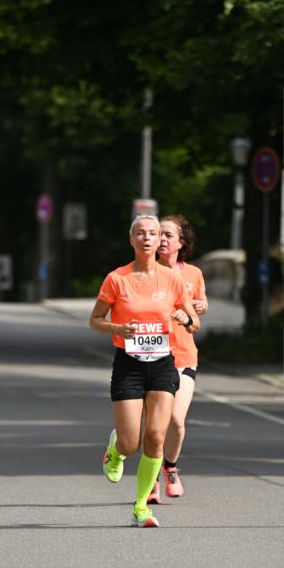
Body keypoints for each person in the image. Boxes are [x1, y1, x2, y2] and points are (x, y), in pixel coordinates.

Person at [89, 214, 200, 528]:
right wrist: (117, 328)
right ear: (131, 239)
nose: (148, 238)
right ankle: (116, 450)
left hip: (163, 364)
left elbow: (195, 322)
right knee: (131, 442)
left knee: (155, 437)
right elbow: (94, 320)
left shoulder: (172, 279)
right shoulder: (117, 278)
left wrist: (184, 318)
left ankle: (141, 506)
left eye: (153, 233)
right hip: (129, 365)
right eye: (141, 233)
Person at [148, 214, 208, 503]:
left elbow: (199, 305)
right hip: (152, 356)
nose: (161, 239)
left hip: (184, 356)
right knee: (155, 425)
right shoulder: (146, 271)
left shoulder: (193, 274)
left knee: (176, 420)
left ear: (181, 243)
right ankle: (150, 481)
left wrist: (200, 306)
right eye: (158, 234)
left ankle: (169, 467)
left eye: (168, 235)